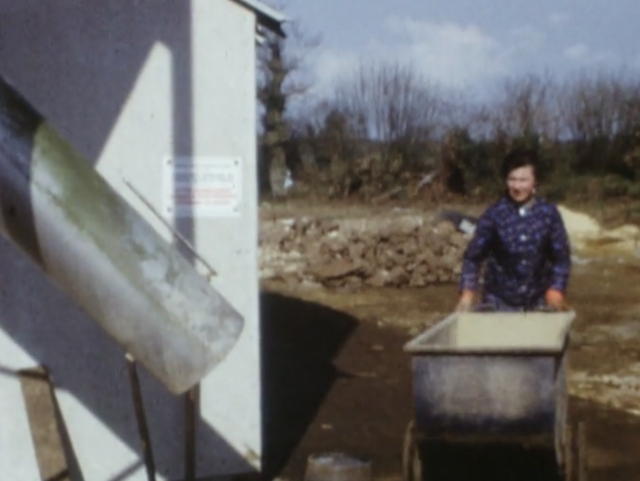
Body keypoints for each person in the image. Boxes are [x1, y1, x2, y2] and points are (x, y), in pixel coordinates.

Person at [456, 149, 572, 312]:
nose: (517, 186)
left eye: (523, 180)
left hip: (538, 304)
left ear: (535, 181)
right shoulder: (494, 214)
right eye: (512, 179)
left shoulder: (548, 214)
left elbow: (561, 258)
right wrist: (467, 293)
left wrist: (556, 290)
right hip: (498, 304)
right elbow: (473, 257)